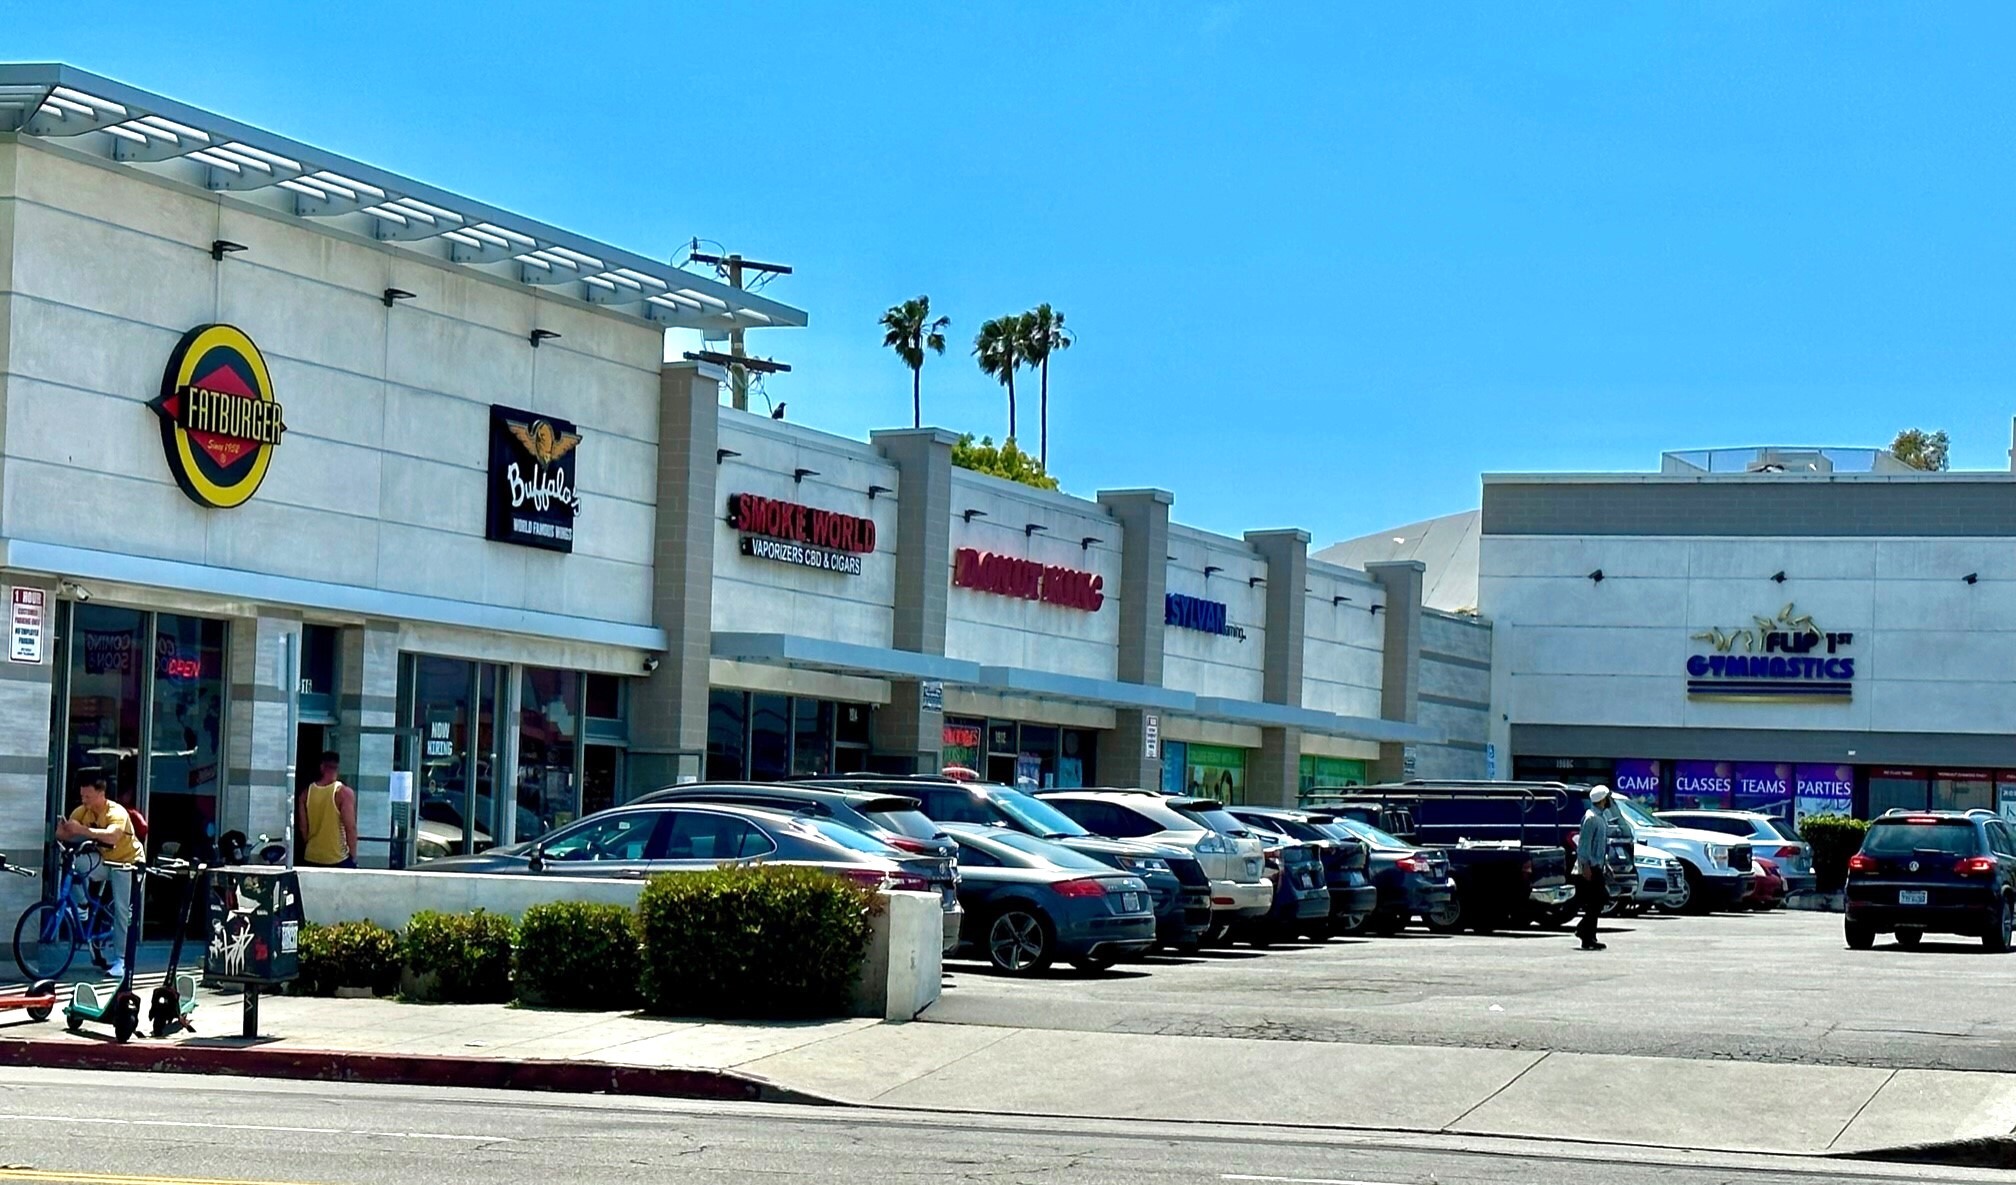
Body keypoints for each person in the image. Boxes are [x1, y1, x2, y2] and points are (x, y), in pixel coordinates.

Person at [54, 768, 141, 980]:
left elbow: (112, 837)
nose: (84, 801)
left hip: (127, 862)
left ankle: (121, 960)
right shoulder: (83, 811)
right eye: (82, 796)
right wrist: (65, 829)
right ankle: (82, 904)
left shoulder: (116, 812)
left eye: (88, 797)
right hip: (105, 860)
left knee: (121, 910)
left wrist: (81, 831)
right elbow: (61, 833)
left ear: (101, 793)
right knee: (74, 862)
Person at [1574, 785, 1620, 951]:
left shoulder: (1601, 818)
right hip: (1590, 868)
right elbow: (1584, 845)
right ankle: (1586, 934)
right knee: (1598, 900)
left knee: (1599, 901)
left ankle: (1587, 933)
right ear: (1602, 800)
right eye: (1607, 798)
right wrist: (1585, 865)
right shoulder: (1591, 818)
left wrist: (1605, 864)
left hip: (1598, 866)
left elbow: (1601, 846)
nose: (1609, 801)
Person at [298, 750, 359, 868]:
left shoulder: (306, 793)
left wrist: (311, 844)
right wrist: (353, 855)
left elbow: (303, 827)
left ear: (322, 767)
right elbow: (350, 827)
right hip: (337, 857)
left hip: (312, 855)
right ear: (337, 767)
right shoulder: (343, 793)